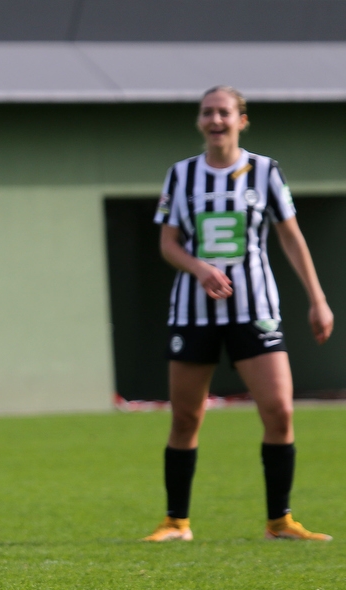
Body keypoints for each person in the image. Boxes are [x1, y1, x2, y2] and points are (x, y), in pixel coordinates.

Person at [144, 85, 334, 543]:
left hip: (256, 310)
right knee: (186, 417)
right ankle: (176, 521)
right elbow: (168, 243)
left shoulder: (266, 172)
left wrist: (318, 298)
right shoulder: (181, 175)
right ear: (199, 121)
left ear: (241, 119)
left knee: (279, 411)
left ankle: (280, 521)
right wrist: (200, 269)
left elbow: (291, 237)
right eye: (207, 113)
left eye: (224, 112)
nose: (215, 120)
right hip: (193, 312)